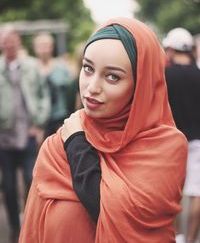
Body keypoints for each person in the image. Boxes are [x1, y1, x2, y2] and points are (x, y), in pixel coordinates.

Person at [19, 17, 188, 243]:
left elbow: (121, 218)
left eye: (112, 76)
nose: (92, 87)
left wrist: (78, 146)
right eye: (88, 68)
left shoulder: (166, 147)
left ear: (141, 85)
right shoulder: (58, 143)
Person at [0, 26, 50, 243]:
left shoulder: (30, 67)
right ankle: (13, 225)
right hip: (5, 138)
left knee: (32, 180)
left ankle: (31, 222)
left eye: (12, 40)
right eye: (4, 41)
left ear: (18, 42)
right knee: (9, 187)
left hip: (28, 135)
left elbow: (43, 95)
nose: (8, 44)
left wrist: (39, 123)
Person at [164, 28, 200, 243]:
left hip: (172, 140)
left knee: (173, 191)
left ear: (171, 49)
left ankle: (176, 237)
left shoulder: (165, 75)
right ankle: (192, 239)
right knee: (197, 193)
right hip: (199, 140)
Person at [32, 32, 72, 136]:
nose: (43, 49)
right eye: (40, 45)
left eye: (46, 45)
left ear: (52, 47)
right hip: (37, 119)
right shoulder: (29, 68)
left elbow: (71, 93)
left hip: (59, 118)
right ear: (35, 48)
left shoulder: (62, 68)